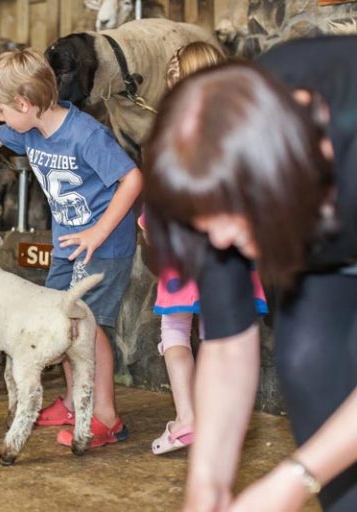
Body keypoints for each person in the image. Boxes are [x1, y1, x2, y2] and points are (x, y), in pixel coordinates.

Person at [143, 38, 357, 511]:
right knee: (307, 360)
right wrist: (208, 486)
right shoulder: (220, 158)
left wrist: (295, 478)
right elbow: (226, 340)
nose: (219, 243)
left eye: (229, 221)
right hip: (315, 235)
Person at [0, 48, 143, 448]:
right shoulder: (29, 127)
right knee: (63, 319)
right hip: (67, 243)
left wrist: (97, 233)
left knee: (90, 327)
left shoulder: (86, 135)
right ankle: (74, 402)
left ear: (24, 103)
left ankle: (105, 415)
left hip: (101, 246)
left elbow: (133, 180)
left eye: (2, 110)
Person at [144, 42, 269, 455]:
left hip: (182, 248)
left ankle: (187, 421)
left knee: (174, 330)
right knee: (221, 335)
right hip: (228, 251)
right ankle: (223, 421)